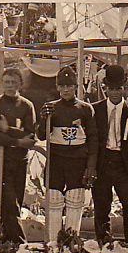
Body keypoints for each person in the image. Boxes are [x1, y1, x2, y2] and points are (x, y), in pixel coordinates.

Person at [37, 66, 97, 243]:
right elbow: (41, 135)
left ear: (76, 86)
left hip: (77, 160)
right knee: (54, 199)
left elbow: (93, 139)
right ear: (57, 87)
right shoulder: (51, 107)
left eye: (69, 86)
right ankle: (54, 242)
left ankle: (72, 240)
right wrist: (44, 119)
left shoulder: (85, 109)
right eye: (62, 86)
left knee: (75, 199)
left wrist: (91, 166)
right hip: (56, 159)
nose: (66, 90)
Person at [91, 65, 128, 244]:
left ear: (125, 87)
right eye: (110, 89)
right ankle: (103, 241)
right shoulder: (95, 110)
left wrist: (126, 151)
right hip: (103, 162)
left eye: (118, 89)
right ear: (105, 88)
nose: (114, 93)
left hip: (123, 164)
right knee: (101, 204)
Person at [0, 67, 36, 244]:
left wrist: (8, 130)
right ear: (1, 83)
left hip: (19, 160)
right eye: (6, 82)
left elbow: (31, 137)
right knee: (8, 203)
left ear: (20, 84)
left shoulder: (26, 105)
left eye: (14, 82)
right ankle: (20, 243)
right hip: (0, 160)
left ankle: (7, 241)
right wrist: (17, 139)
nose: (10, 85)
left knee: (16, 202)